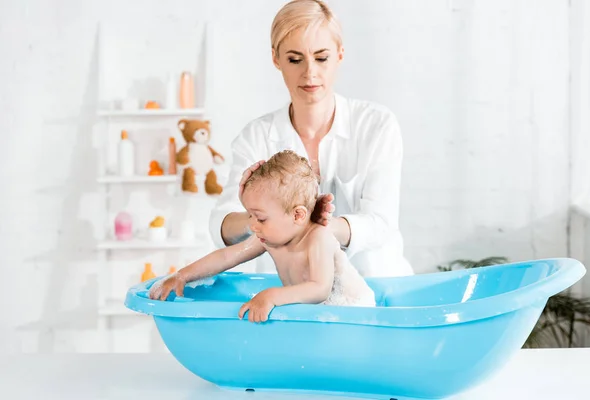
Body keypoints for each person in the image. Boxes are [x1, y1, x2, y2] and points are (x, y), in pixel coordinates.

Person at [209, 0, 413, 277]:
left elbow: (380, 222)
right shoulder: (256, 136)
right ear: (276, 59)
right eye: (295, 59)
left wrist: (312, 227)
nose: (309, 73)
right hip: (286, 297)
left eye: (321, 57)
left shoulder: (376, 125)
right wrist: (257, 220)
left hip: (374, 288)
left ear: (340, 55)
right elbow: (221, 224)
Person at [149, 150, 376, 322]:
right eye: (250, 215)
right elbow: (227, 257)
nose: (253, 226)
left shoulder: (318, 238)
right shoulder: (271, 238)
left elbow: (319, 289)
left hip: (352, 314)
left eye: (260, 218)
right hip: (320, 317)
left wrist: (271, 296)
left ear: (298, 215)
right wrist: (182, 275)